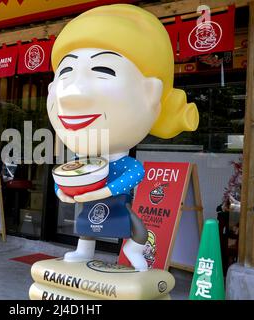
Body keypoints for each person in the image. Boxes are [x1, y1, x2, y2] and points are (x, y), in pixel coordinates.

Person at [48, 4, 199, 270]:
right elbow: (65, 180)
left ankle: (133, 248)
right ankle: (84, 250)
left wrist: (105, 189)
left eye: (103, 71)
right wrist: (64, 193)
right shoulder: (81, 161)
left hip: (116, 202)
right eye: (65, 72)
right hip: (90, 201)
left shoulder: (124, 163)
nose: (70, 94)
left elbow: (134, 174)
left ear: (151, 93)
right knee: (86, 226)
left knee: (135, 228)